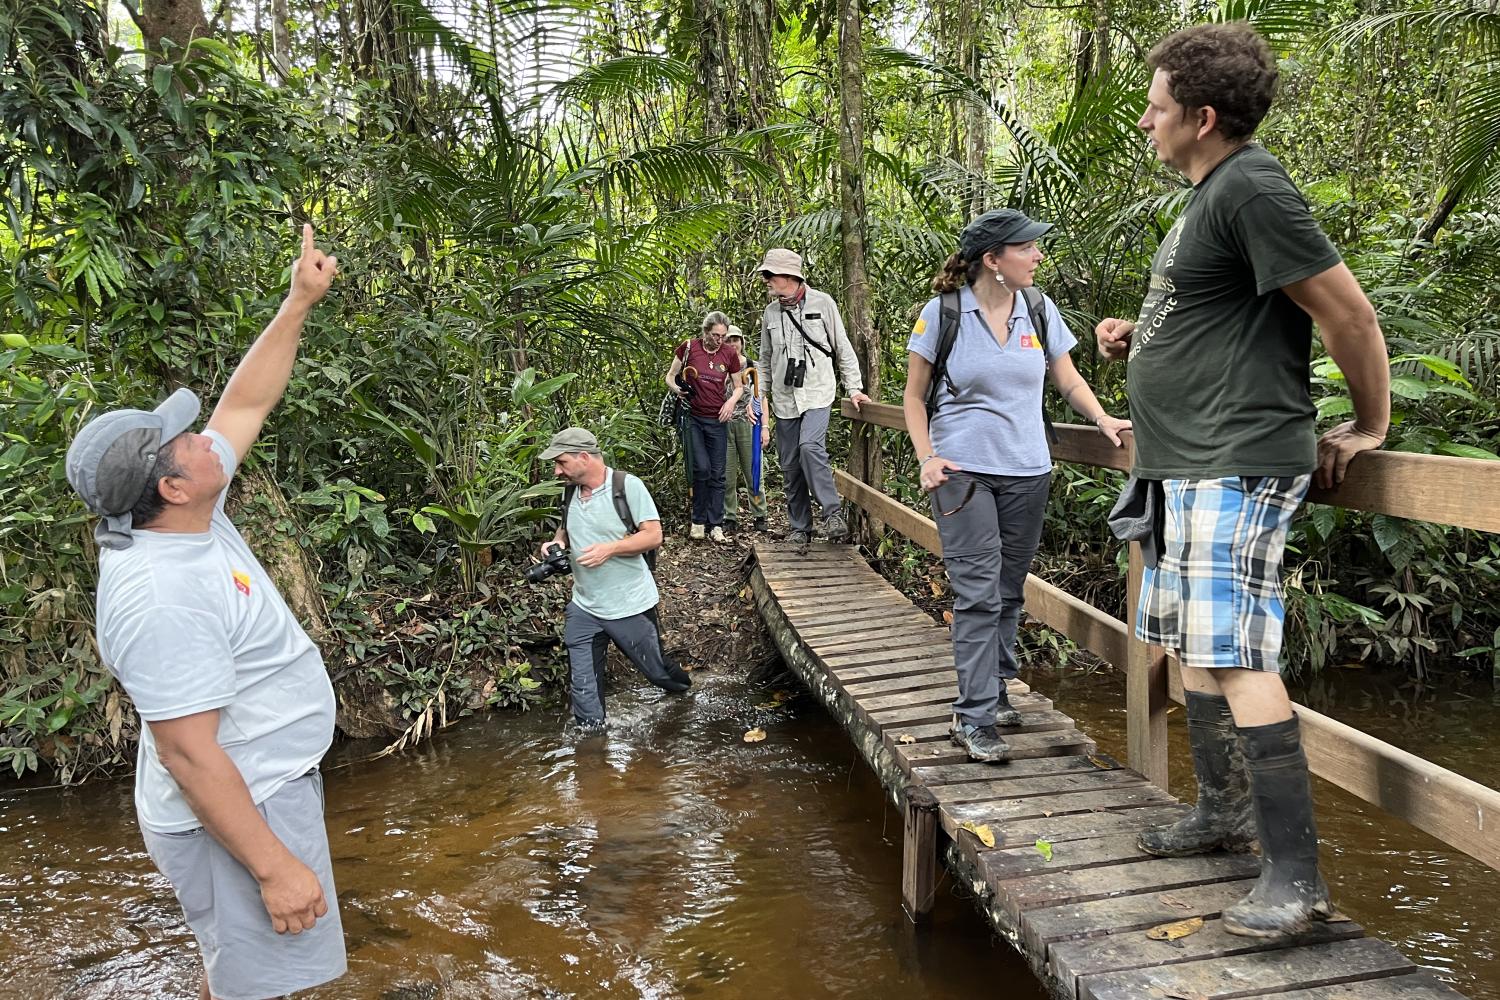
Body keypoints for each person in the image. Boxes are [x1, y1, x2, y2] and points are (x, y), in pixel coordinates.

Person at [1095, 23, 1390, 938]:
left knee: (1233, 654)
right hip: (1183, 461)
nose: (1146, 122)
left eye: (1156, 109)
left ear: (1203, 118)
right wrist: (1129, 335)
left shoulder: (1254, 185)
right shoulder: (1210, 195)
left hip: (1235, 456)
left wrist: (1372, 423)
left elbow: (1347, 312)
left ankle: (1297, 882)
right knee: (1191, 647)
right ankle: (1219, 815)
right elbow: (1215, 313)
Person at [63, 225, 346, 1000]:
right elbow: (188, 755)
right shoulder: (163, 596)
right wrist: (273, 865)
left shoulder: (185, 517)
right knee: (264, 982)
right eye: (184, 440)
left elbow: (246, 399)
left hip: (262, 776)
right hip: (239, 802)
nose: (204, 433)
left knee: (253, 974)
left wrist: (298, 301)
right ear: (171, 487)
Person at [903, 209, 1130, 764]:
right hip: (963, 473)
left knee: (1008, 587)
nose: (1038, 256)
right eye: (1027, 248)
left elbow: (1068, 376)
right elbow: (913, 397)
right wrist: (927, 456)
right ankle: (972, 714)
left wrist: (1103, 419)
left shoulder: (1038, 308)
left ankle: (996, 687)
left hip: (1029, 469)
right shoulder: (942, 314)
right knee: (978, 593)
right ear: (993, 260)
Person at [539, 427, 692, 731]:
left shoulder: (627, 486)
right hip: (584, 606)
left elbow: (653, 536)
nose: (557, 471)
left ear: (584, 457)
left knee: (658, 672)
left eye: (562, 463)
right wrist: (557, 544)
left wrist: (611, 549)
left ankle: (687, 693)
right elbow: (566, 529)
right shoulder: (569, 491)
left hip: (629, 604)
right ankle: (591, 748)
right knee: (584, 688)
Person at [756, 248, 870, 546]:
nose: (765, 279)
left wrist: (854, 388)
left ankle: (832, 513)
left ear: (789, 276)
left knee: (809, 446)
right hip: (784, 398)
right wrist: (759, 397)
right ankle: (800, 527)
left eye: (770, 274)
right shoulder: (770, 313)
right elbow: (764, 360)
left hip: (818, 392)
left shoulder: (823, 302)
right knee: (790, 464)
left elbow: (842, 347)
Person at [665, 310, 743, 543]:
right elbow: (670, 375)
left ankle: (715, 524)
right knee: (701, 468)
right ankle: (698, 520)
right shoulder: (690, 347)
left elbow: (738, 386)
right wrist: (677, 389)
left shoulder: (729, 354)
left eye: (723, 335)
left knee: (718, 474)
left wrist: (730, 402)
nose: (720, 340)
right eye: (716, 335)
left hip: (718, 419)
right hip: (694, 419)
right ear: (706, 332)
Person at [723, 325, 769, 533]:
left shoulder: (752, 366)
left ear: (742, 342)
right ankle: (729, 516)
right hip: (724, 424)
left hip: (749, 424)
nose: (732, 344)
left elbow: (762, 398)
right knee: (727, 474)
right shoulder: (719, 366)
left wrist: (765, 427)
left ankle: (760, 514)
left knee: (754, 472)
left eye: (736, 339)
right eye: (728, 340)